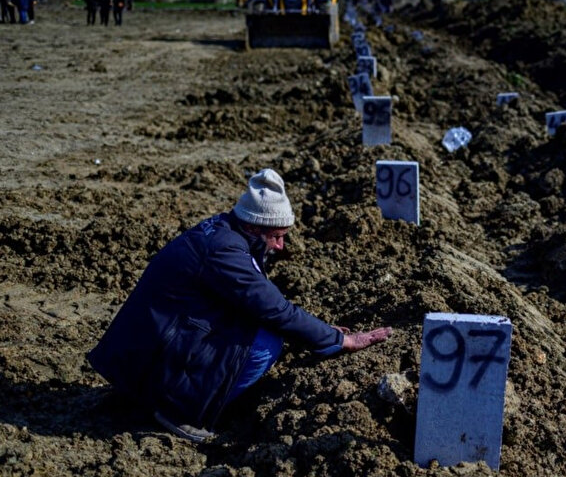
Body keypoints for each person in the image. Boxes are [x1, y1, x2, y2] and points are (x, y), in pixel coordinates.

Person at [87, 169, 392, 442]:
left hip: (147, 344)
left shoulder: (223, 231)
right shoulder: (225, 253)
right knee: (266, 343)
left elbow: (261, 302)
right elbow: (273, 308)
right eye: (277, 237)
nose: (281, 246)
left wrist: (321, 332)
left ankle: (160, 394)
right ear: (254, 227)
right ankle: (181, 411)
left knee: (260, 327)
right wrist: (342, 340)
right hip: (151, 349)